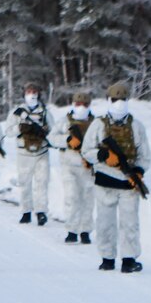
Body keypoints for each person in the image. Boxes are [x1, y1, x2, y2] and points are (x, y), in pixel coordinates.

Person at [82, 82, 151, 273]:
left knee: (130, 223)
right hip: (105, 181)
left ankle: (129, 259)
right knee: (105, 222)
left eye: (123, 99)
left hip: (128, 183)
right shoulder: (98, 124)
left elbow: (144, 155)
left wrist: (138, 171)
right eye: (115, 100)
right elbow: (86, 150)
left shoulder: (136, 126)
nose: (119, 103)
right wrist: (104, 156)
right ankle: (107, 258)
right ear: (108, 101)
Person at [56, 91, 95, 244]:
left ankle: (85, 231)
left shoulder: (95, 123)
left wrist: (93, 157)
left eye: (85, 104)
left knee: (87, 199)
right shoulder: (64, 121)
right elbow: (51, 138)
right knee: (72, 197)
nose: (81, 107)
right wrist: (67, 140)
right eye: (78, 104)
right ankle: (72, 230)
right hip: (69, 165)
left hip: (87, 166)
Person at [11, 83, 53, 225]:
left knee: (42, 183)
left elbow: (53, 131)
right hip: (24, 153)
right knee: (25, 183)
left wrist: (44, 131)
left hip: (41, 152)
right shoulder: (17, 111)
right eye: (29, 91)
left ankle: (41, 212)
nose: (32, 94)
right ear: (24, 94)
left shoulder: (45, 112)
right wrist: (21, 128)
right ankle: (25, 211)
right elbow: (8, 131)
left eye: (34, 91)